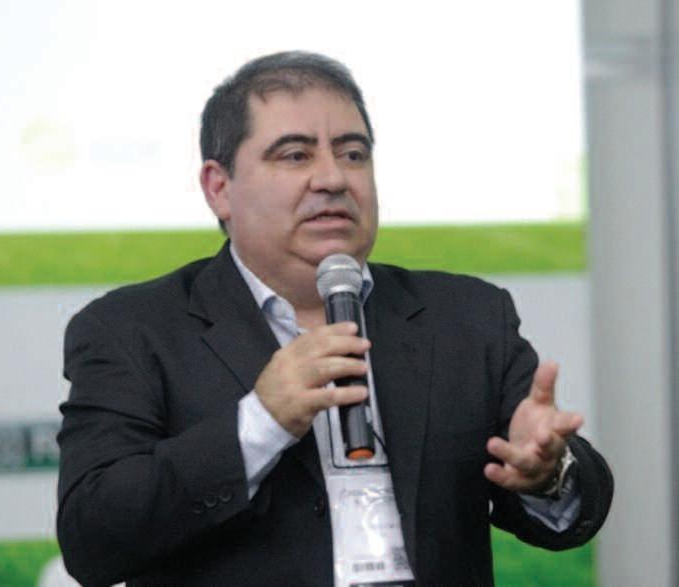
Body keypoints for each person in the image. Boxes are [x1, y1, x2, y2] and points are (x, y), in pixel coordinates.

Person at [57, 51, 613, 586]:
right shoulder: (132, 331)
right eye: (295, 156)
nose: (333, 178)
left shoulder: (467, 317)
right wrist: (261, 422)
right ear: (219, 188)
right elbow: (93, 539)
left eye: (352, 154)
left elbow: (574, 502)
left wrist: (548, 474)